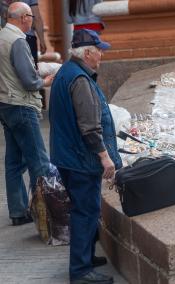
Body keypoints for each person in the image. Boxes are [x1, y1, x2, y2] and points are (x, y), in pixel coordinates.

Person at [49, 29, 122, 284]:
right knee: (85, 211)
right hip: (80, 159)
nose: (101, 55)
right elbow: (89, 127)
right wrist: (104, 156)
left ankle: (87, 257)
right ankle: (80, 270)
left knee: (85, 209)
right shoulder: (79, 79)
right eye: (99, 50)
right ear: (87, 53)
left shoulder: (67, 72)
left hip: (67, 155)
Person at [0, 1, 53, 226]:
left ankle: (18, 211)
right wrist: (45, 80)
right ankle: (50, 213)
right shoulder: (18, 41)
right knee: (38, 161)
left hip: (5, 104)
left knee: (13, 162)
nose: (32, 21)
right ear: (23, 18)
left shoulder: (2, 36)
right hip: (21, 105)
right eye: (31, 17)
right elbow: (29, 81)